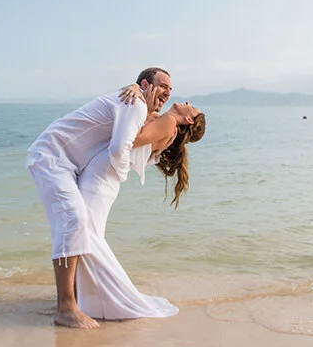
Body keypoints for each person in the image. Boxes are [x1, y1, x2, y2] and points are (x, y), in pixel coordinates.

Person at [26, 68, 174, 329]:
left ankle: (71, 299)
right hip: (51, 157)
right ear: (144, 85)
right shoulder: (135, 103)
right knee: (74, 219)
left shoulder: (137, 106)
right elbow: (118, 150)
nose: (168, 93)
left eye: (170, 90)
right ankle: (66, 308)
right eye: (162, 86)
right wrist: (118, 173)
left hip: (65, 164)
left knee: (75, 224)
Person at [72, 100, 206, 322]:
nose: (189, 103)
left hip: (101, 180)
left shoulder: (169, 122)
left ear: (189, 119)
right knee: (86, 235)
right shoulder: (165, 122)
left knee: (86, 236)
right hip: (104, 180)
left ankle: (101, 299)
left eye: (193, 107)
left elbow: (128, 141)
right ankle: (87, 297)